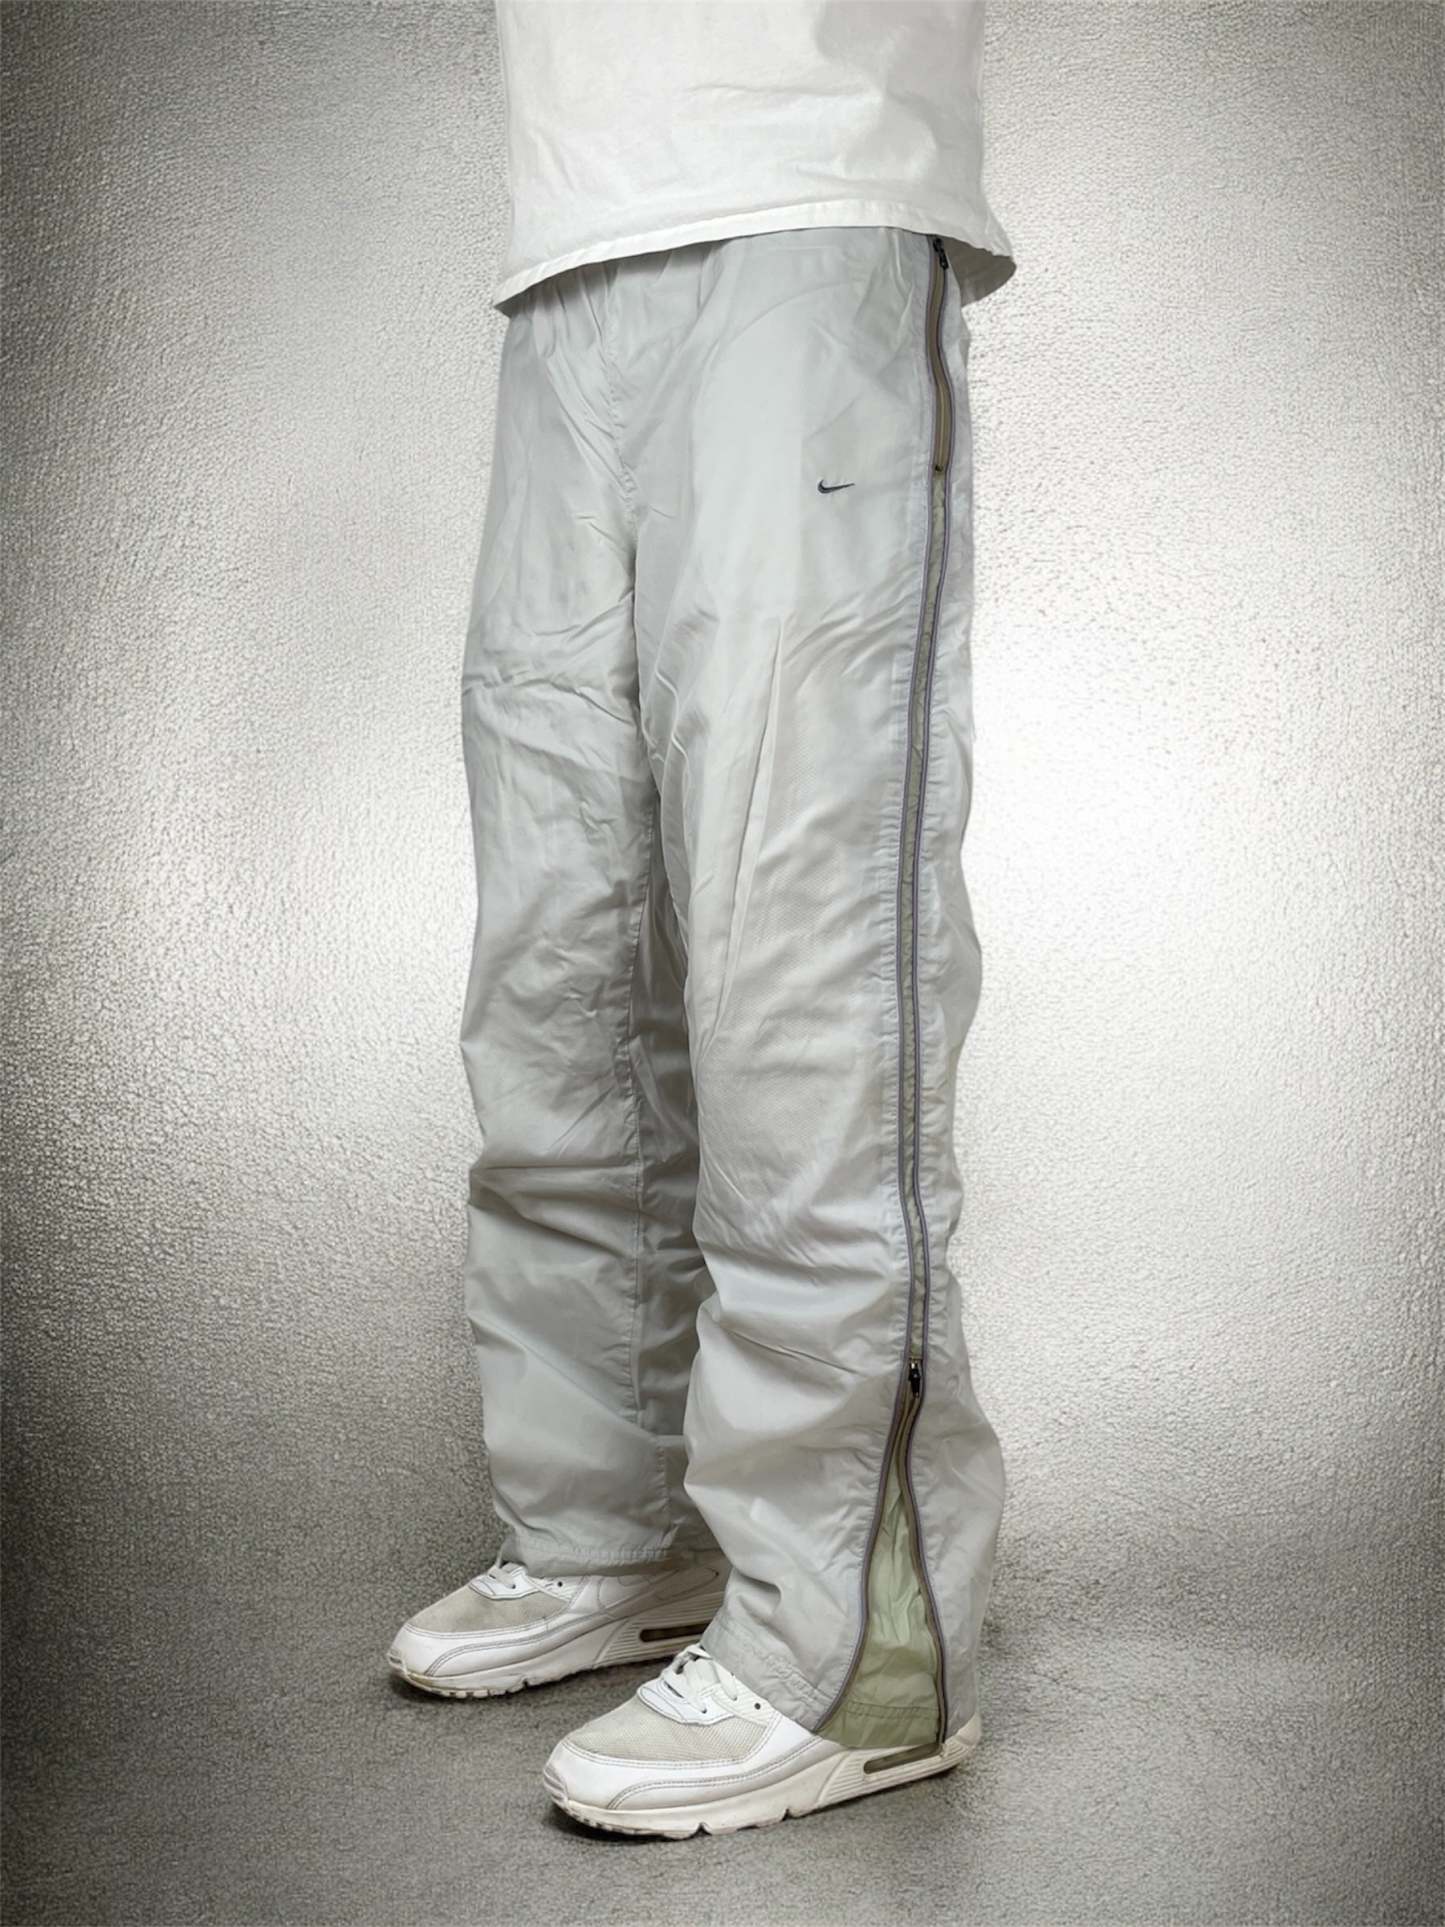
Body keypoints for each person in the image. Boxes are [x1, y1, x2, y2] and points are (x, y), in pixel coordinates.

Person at [388, 0, 1017, 1838]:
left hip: (805, 197)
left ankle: (858, 1655)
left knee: (797, 960)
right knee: (559, 970)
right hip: (566, 251)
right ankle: (609, 1536)